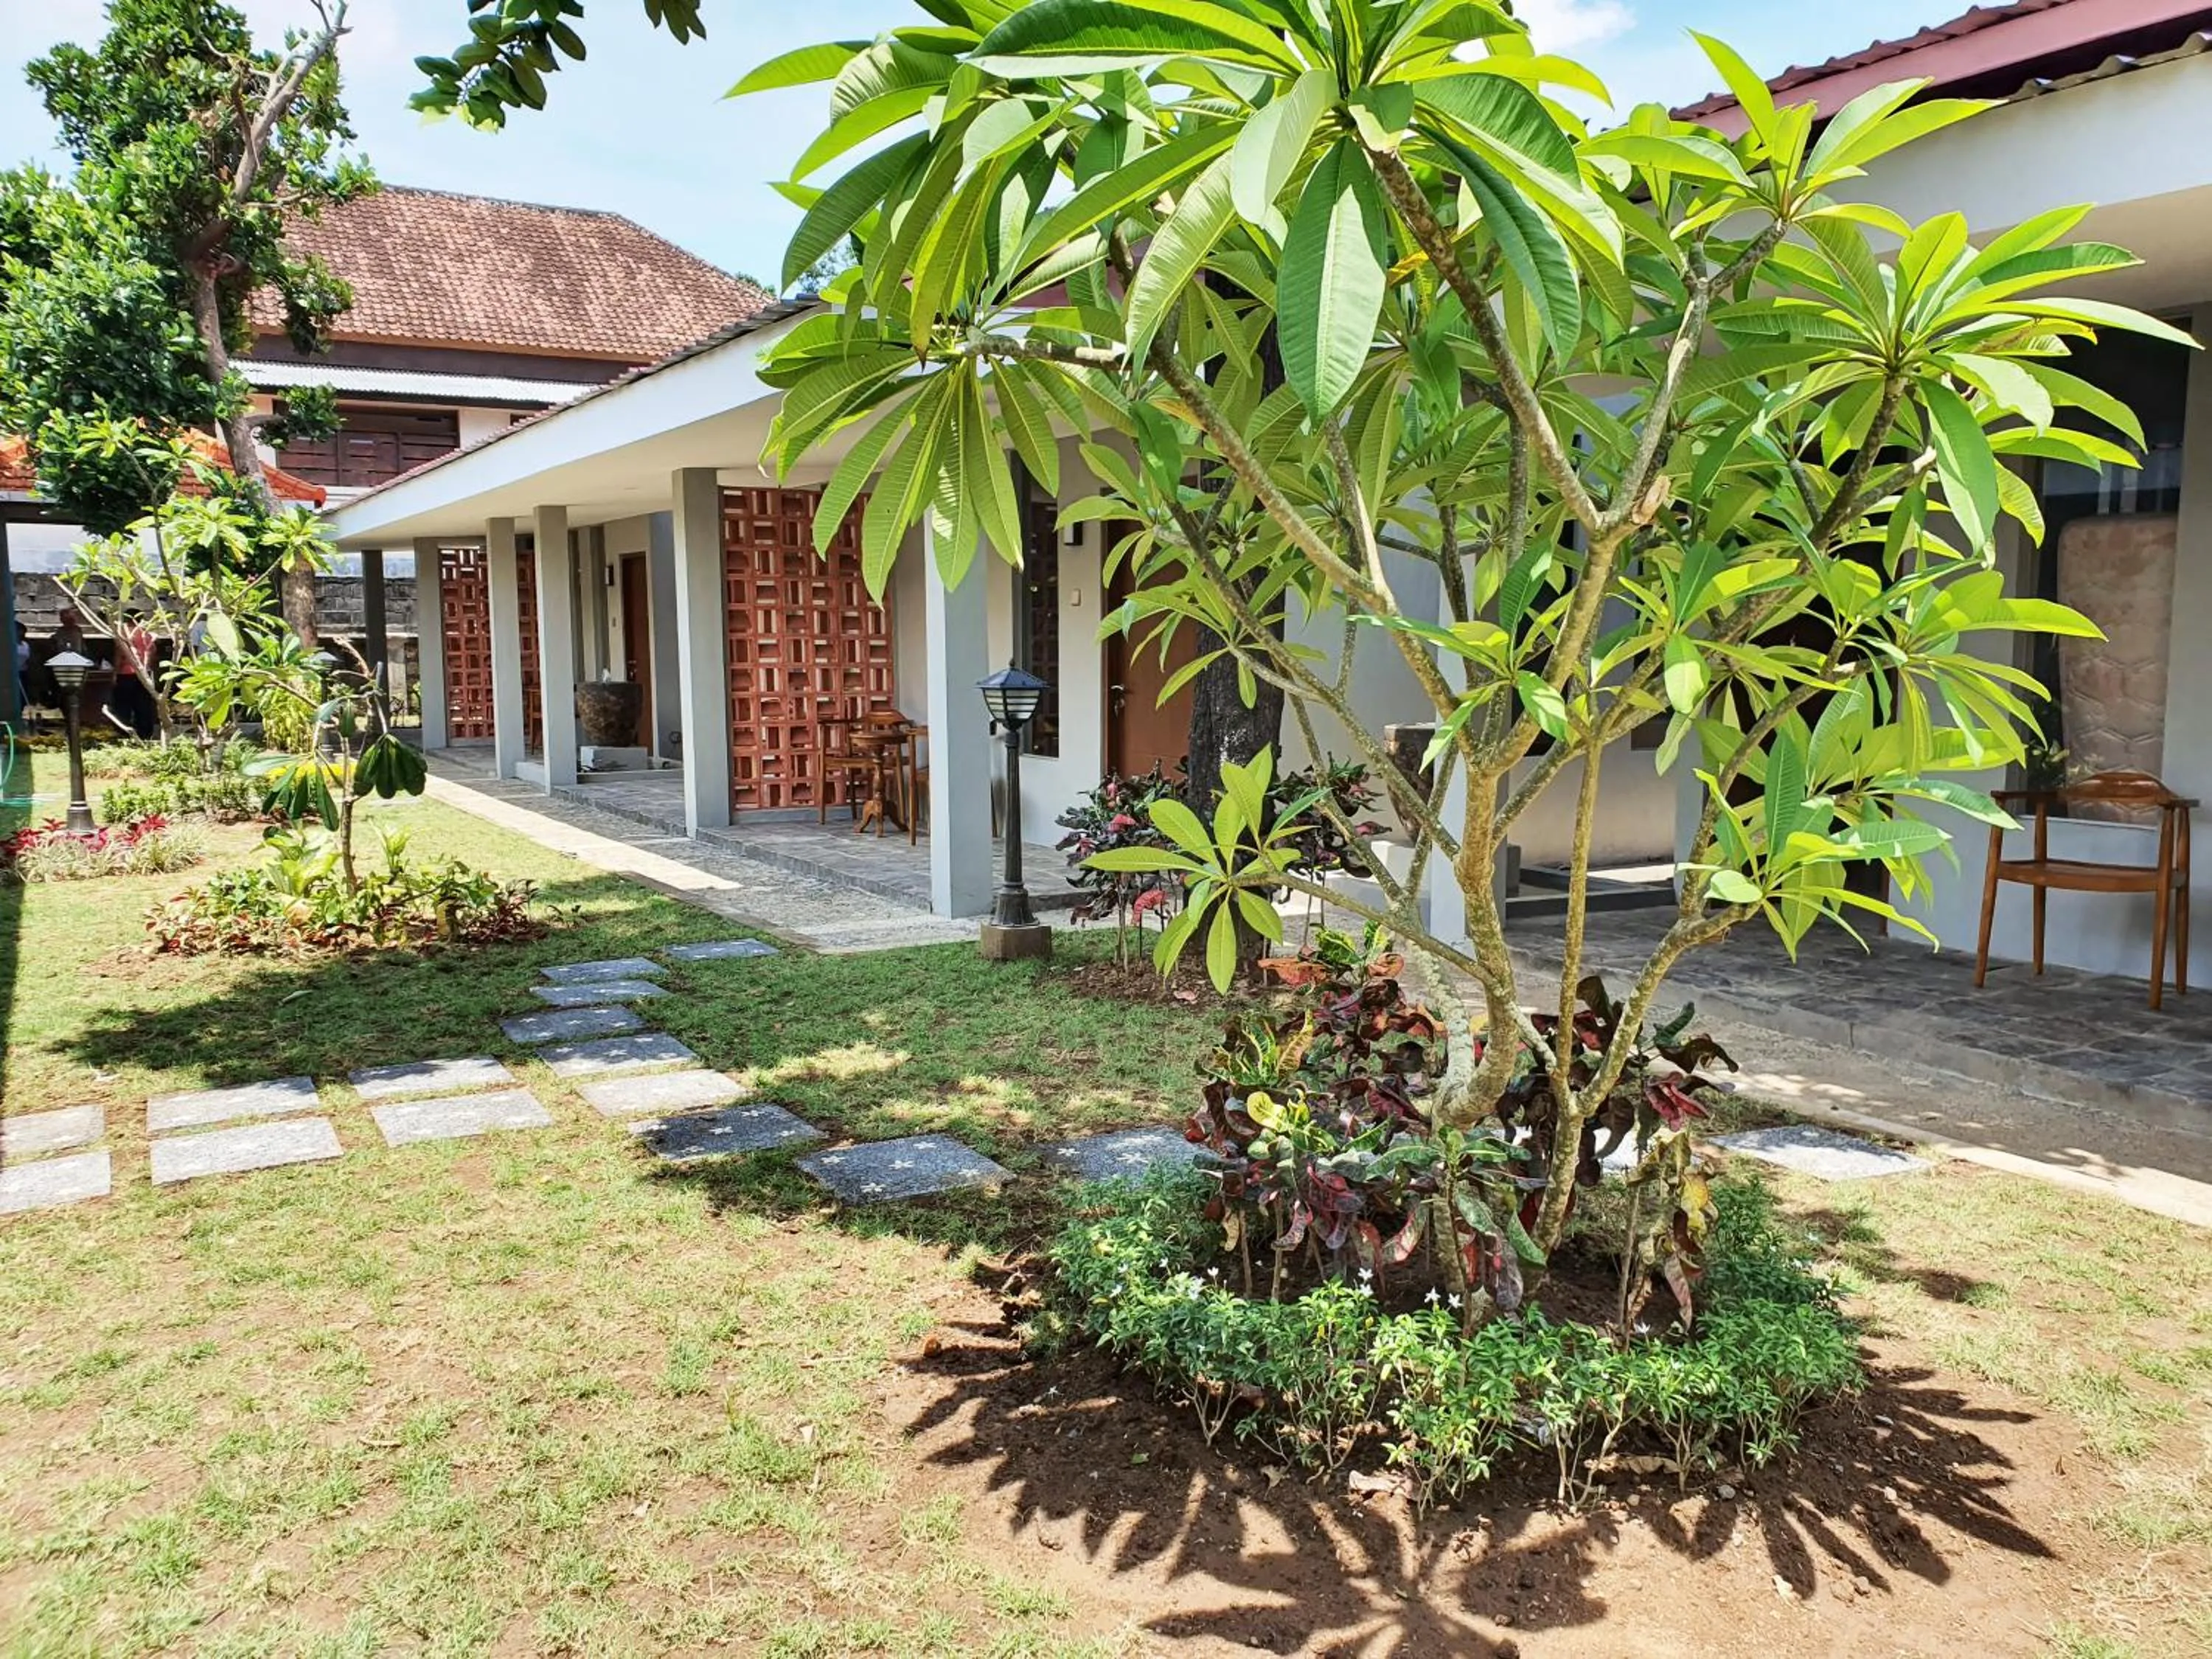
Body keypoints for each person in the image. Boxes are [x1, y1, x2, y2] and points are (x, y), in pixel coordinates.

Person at [111, 610, 159, 739]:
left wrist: (115, 673)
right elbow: (153, 653)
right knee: (143, 705)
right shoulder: (147, 635)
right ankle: (145, 734)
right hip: (144, 674)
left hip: (126, 674)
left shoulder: (124, 634)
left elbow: (120, 655)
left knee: (123, 705)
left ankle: (123, 733)